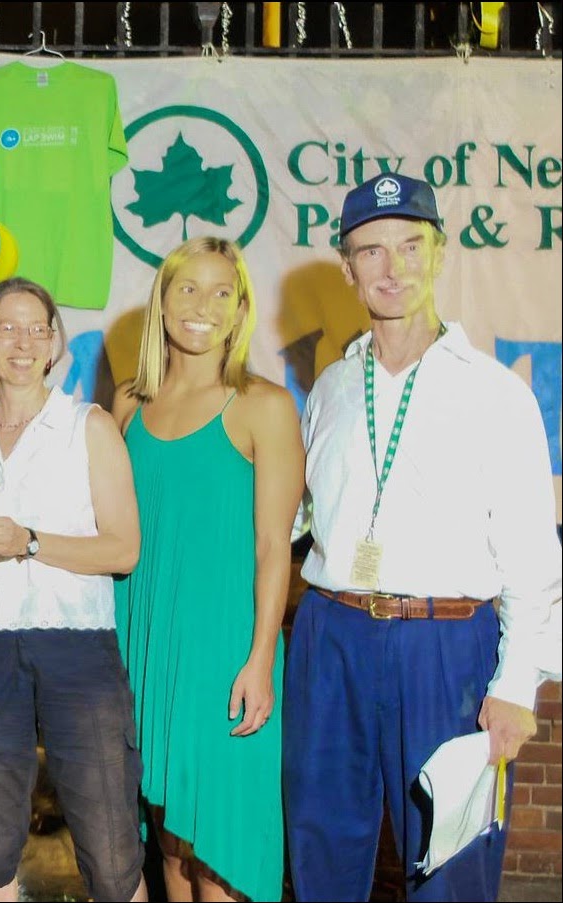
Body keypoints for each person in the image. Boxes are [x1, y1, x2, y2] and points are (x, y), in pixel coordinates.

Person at [286, 172, 561, 901]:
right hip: (331, 636)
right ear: (347, 269)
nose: (392, 267)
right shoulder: (330, 389)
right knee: (320, 849)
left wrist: (515, 685)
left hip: (447, 647)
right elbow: (301, 515)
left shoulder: (495, 393)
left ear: (438, 252)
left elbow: (533, 557)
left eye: (410, 245)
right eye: (370, 251)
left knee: (451, 863)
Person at [111, 238, 304, 902]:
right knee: (170, 847)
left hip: (226, 652)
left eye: (223, 292)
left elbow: (273, 546)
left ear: (241, 309)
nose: (204, 305)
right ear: (161, 302)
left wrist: (260, 658)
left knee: (221, 857)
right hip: (145, 646)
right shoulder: (128, 403)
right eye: (187, 288)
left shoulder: (262, 405)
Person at [0, 278, 147, 903]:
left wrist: (29, 541)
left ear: (55, 344)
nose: (25, 342)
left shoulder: (89, 426)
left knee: (111, 846)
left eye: (39, 328)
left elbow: (124, 549)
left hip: (75, 645)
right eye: (8, 328)